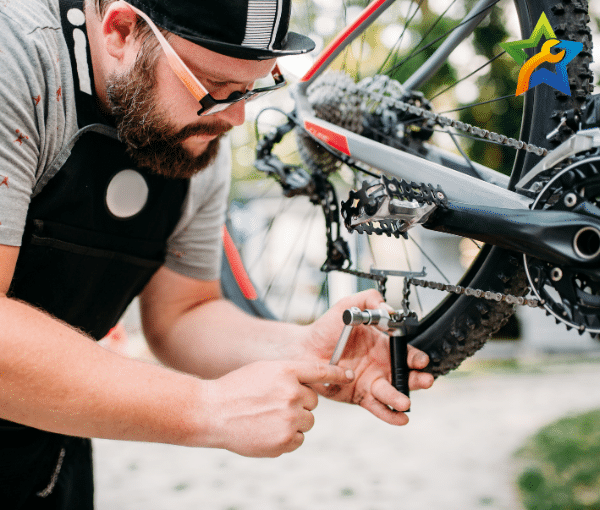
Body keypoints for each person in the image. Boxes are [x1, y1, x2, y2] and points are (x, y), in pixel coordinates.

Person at [0, 0, 435, 507]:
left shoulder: (198, 132)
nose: (236, 117)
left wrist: (305, 351)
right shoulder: (19, 56)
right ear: (121, 30)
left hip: (44, 457)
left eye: (252, 89)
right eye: (214, 89)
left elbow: (183, 314)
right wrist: (207, 409)